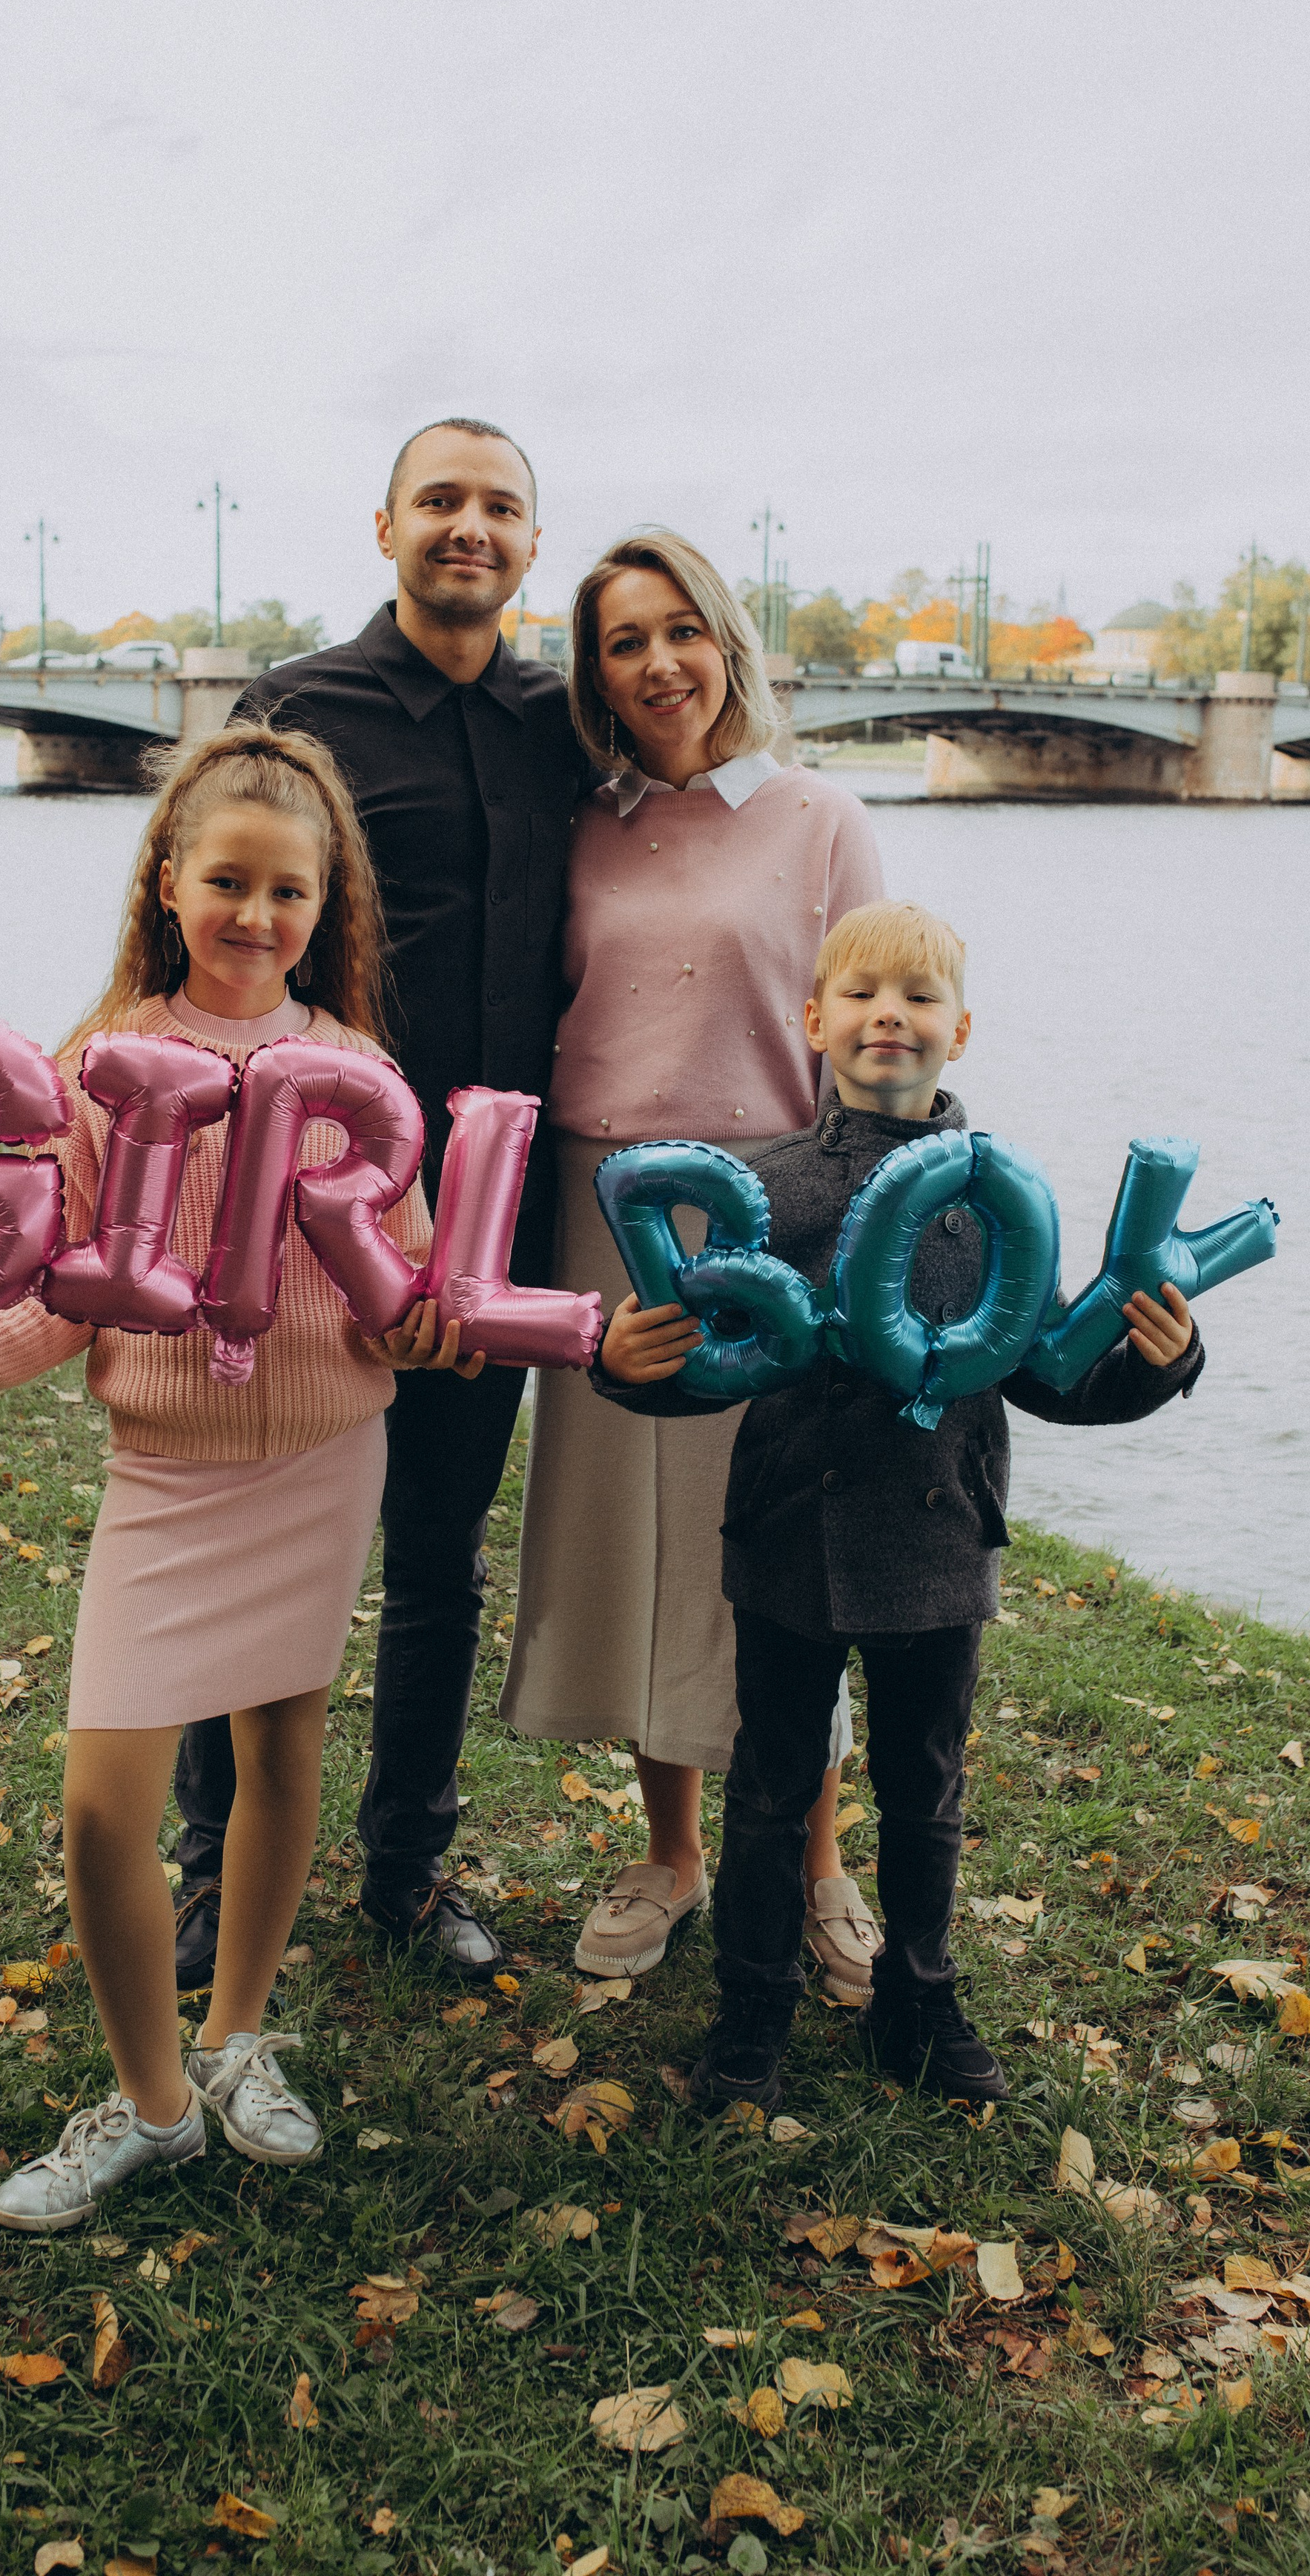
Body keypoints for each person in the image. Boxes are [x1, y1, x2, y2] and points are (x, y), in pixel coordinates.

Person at [0, 724, 477, 2231]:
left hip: (324, 1456)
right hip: (166, 1475)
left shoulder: (356, 1067)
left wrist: (434, 1327)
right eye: (229, 882)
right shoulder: (100, 1066)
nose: (257, 917)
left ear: (327, 909)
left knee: (281, 1757)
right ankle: (147, 2106)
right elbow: (63, 1290)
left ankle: (237, 2037)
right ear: (170, 883)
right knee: (100, 1809)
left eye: (289, 892)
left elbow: (415, 1274)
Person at [596, 898, 1205, 2113]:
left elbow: (1049, 1378)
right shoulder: (758, 1189)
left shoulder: (996, 1203)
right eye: (864, 994)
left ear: (960, 1032)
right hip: (785, 1539)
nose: (891, 1016)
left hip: (940, 1541)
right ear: (814, 1019)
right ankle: (752, 2012)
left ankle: (917, 1998)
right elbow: (711, 1369)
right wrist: (626, 1362)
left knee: (922, 1784)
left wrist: (1156, 1360)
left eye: (920, 998)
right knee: (772, 1787)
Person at [168, 418, 590, 1987]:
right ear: (384, 525)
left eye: (498, 507)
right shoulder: (298, 710)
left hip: (493, 1219)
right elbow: (204, 912)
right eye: (439, 501)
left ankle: (407, 1871)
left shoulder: (568, 725)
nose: (466, 527)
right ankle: (215, 1869)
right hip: (304, 1207)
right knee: (270, 1532)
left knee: (435, 1554)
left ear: (531, 542)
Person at [500, 530, 883, 1995]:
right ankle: (667, 1854)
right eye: (619, 641)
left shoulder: (819, 819)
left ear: (722, 640)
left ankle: (817, 1868)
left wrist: (856, 1223)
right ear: (593, 672)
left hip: (769, 1213)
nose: (656, 664)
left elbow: (860, 1031)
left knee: (780, 1544)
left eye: (679, 632)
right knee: (641, 1544)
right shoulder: (584, 824)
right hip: (605, 1212)